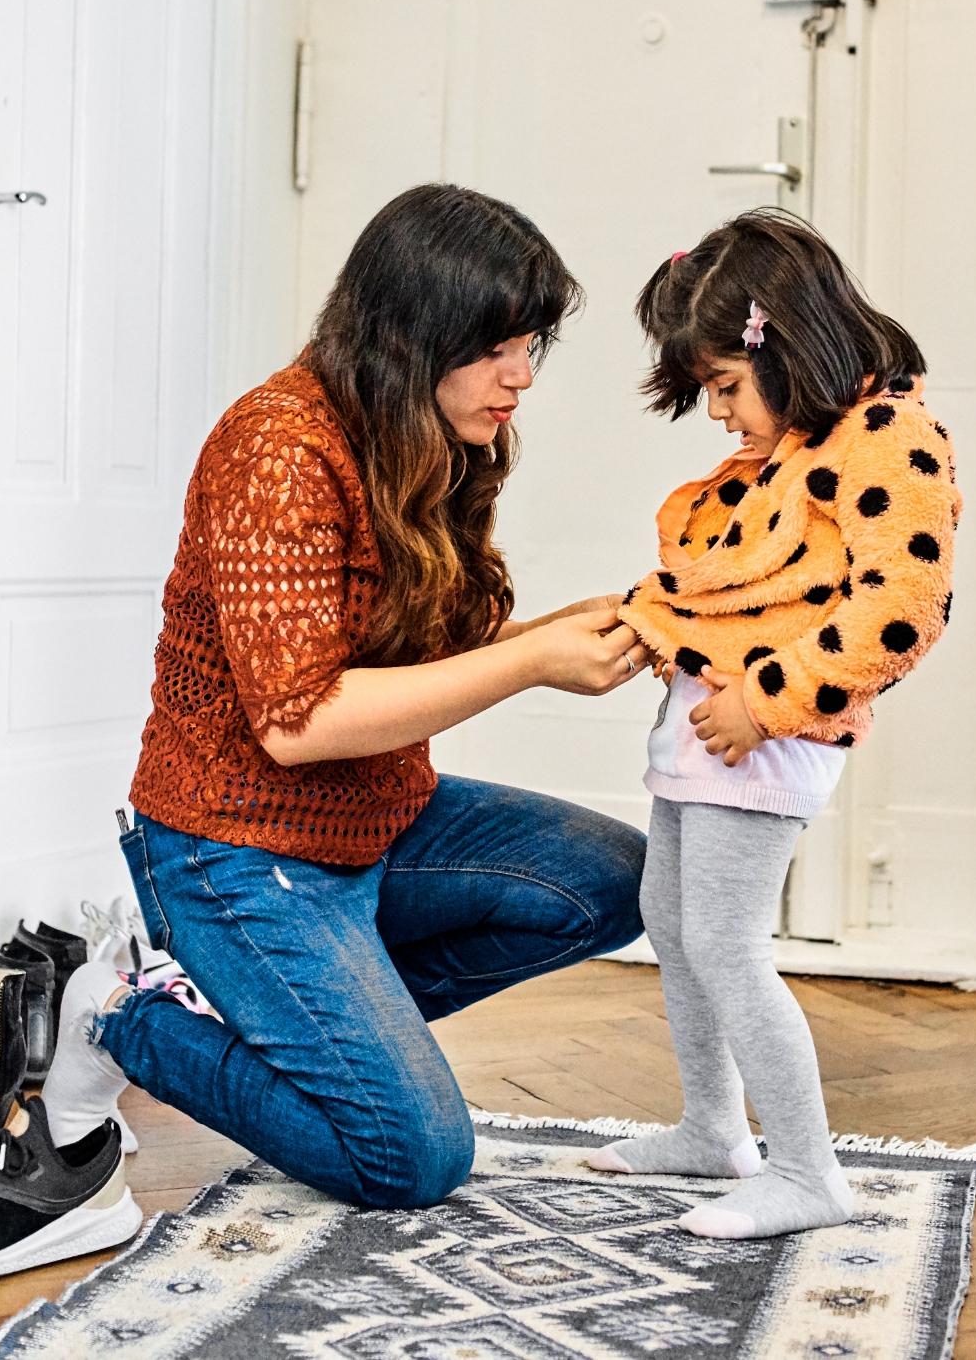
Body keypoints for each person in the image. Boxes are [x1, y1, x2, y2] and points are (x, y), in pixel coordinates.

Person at [38, 184, 651, 1209]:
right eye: (497, 347)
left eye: (532, 343)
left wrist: (578, 624)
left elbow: (434, 654)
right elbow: (299, 725)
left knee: (618, 878)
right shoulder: (276, 450)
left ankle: (310, 1035)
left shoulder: (428, 440)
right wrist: (534, 663)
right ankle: (121, 1016)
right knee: (410, 1160)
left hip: (372, 822)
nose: (522, 377)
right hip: (232, 846)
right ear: (418, 334)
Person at [589, 209, 961, 1238]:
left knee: (725, 940)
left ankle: (807, 1171)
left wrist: (768, 698)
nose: (716, 415)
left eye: (722, 388)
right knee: (672, 919)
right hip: (711, 731)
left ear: (782, 342)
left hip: (766, 735)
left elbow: (900, 611)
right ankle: (715, 1129)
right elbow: (732, 573)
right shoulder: (799, 443)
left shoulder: (890, 437)